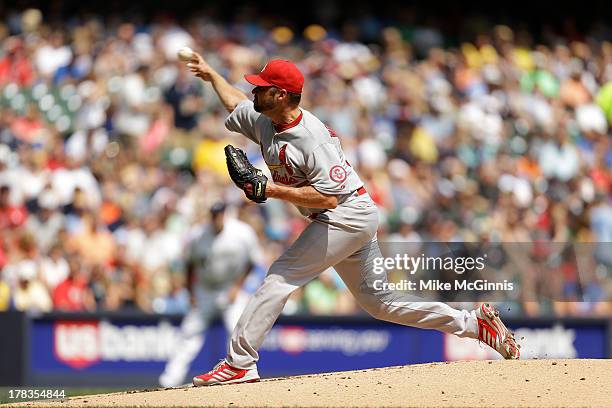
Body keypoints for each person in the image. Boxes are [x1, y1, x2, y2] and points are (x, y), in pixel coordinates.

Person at [185, 54, 520, 386]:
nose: (254, 93)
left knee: (280, 277)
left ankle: (240, 363)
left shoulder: (310, 138)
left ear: (281, 95)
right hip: (345, 216)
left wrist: (269, 190)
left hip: (346, 213)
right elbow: (236, 103)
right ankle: (476, 325)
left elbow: (329, 197)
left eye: (262, 88)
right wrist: (211, 73)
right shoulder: (266, 120)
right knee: (382, 303)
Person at [159, 201, 263, 387]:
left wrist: (237, 287)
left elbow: (252, 262)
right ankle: (169, 381)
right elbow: (189, 265)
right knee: (189, 333)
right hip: (205, 290)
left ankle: (238, 371)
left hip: (230, 288)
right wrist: (190, 292)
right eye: (214, 214)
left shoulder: (242, 232)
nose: (217, 218)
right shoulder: (198, 234)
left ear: (226, 214)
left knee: (237, 331)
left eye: (220, 214)